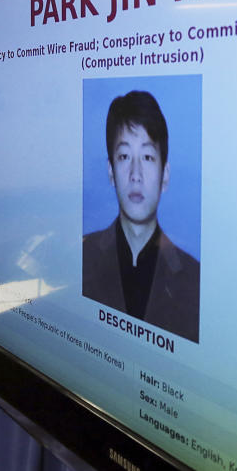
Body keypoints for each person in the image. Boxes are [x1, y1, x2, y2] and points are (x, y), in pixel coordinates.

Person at [82, 90, 200, 342]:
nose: (136, 174)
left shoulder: (194, 280)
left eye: (147, 157)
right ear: (111, 171)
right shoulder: (81, 256)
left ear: (165, 174)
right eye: (124, 156)